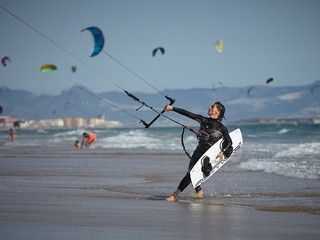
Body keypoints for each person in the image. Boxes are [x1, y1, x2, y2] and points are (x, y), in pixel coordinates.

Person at [164, 102, 233, 202]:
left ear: (218, 111)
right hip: (198, 150)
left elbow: (229, 141)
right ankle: (198, 191)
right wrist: (172, 108)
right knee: (191, 172)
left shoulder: (221, 128)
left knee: (192, 173)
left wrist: (223, 151)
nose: (209, 107)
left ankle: (175, 195)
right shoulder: (203, 120)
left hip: (209, 154)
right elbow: (187, 113)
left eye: (212, 107)